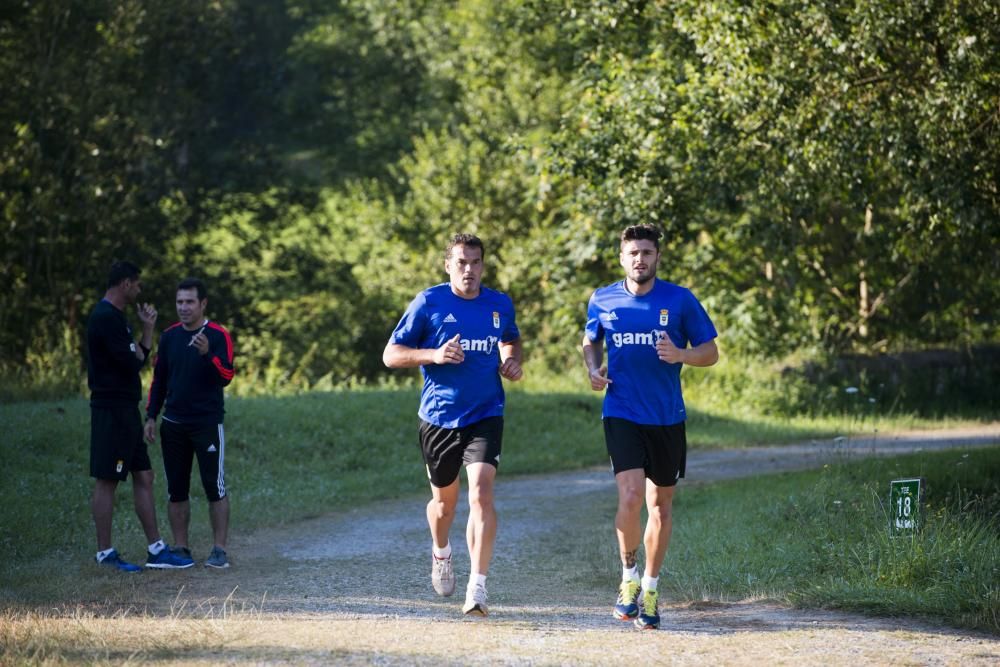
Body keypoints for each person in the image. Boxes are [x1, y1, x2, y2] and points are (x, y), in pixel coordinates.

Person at [582, 224, 719, 630]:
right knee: (629, 497)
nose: (639, 259)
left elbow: (710, 352)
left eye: (647, 252)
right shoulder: (602, 299)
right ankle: (628, 579)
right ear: (621, 258)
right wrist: (593, 368)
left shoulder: (679, 300)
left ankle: (652, 589)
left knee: (659, 505)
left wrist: (680, 354)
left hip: (667, 417)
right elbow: (590, 340)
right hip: (621, 411)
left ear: (657, 257)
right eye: (633, 253)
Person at [383, 233, 524, 617]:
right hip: (439, 417)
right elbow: (391, 355)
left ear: (483, 265)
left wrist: (511, 360)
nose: (469, 270)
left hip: (487, 412)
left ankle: (477, 588)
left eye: (475, 262)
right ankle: (441, 551)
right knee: (444, 506)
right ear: (448, 265)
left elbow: (510, 339)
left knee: (481, 492)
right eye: (461, 262)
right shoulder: (429, 302)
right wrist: (434, 354)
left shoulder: (499, 303)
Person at [86, 261, 194, 571]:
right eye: (136, 284)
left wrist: (146, 330)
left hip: (127, 409)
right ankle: (105, 555)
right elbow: (131, 362)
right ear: (124, 284)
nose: (139, 290)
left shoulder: (119, 319)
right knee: (107, 479)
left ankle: (157, 550)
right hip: (111, 410)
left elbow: (139, 356)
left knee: (144, 475)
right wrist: (135, 351)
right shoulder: (105, 317)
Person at [144, 278, 235, 569]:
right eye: (179, 302)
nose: (183, 307)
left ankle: (219, 549)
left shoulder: (218, 335)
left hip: (207, 423)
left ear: (203, 303)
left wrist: (208, 353)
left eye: (189, 302)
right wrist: (150, 416)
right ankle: (181, 548)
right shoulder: (169, 337)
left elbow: (227, 376)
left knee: (214, 486)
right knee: (176, 489)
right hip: (173, 424)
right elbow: (158, 381)